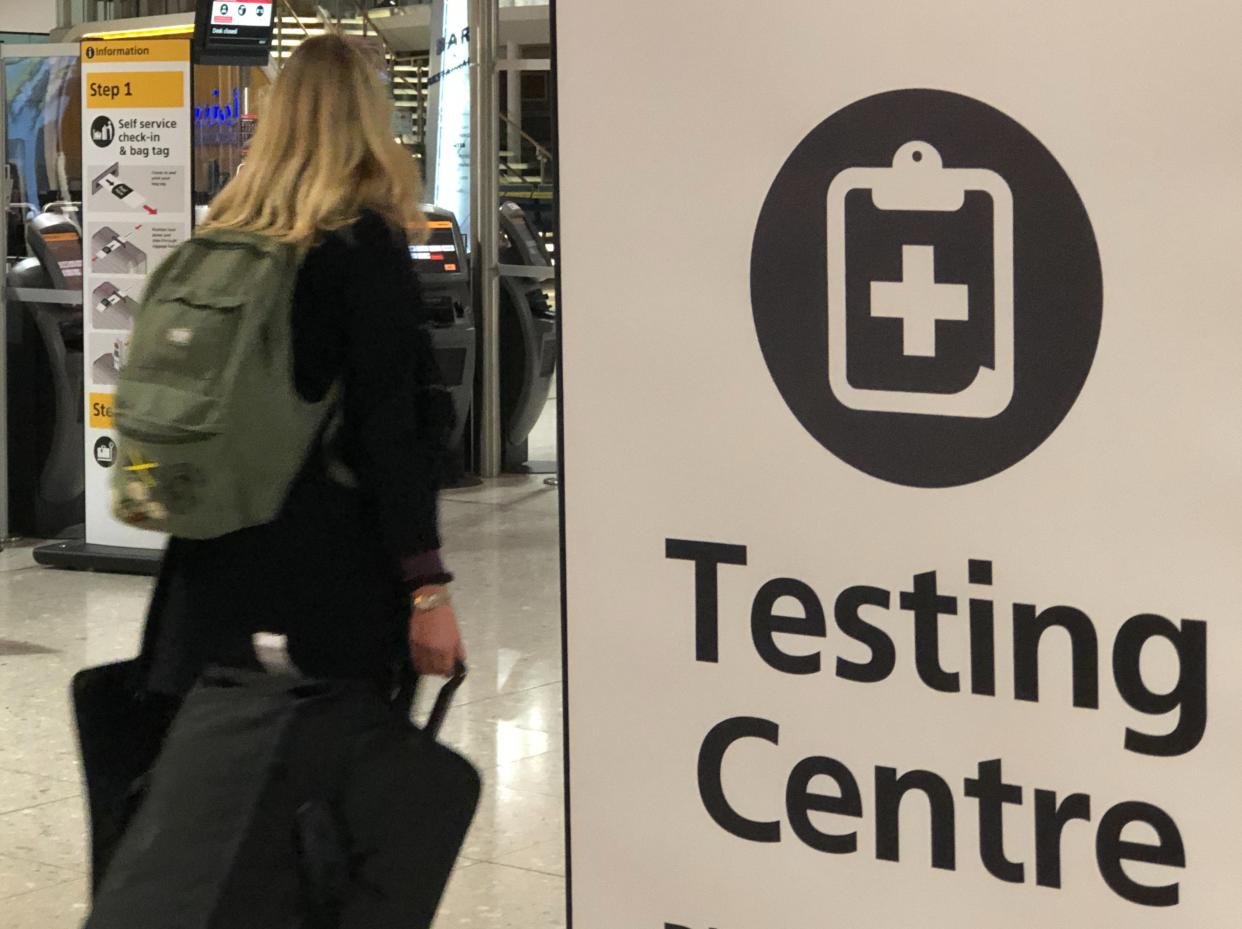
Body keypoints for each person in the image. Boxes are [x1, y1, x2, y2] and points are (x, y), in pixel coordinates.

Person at [139, 34, 466, 697]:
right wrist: (427, 585)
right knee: (332, 781)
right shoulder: (360, 244)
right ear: (368, 122)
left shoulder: (226, 229)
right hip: (325, 573)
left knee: (228, 773)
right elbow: (387, 428)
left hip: (209, 564)